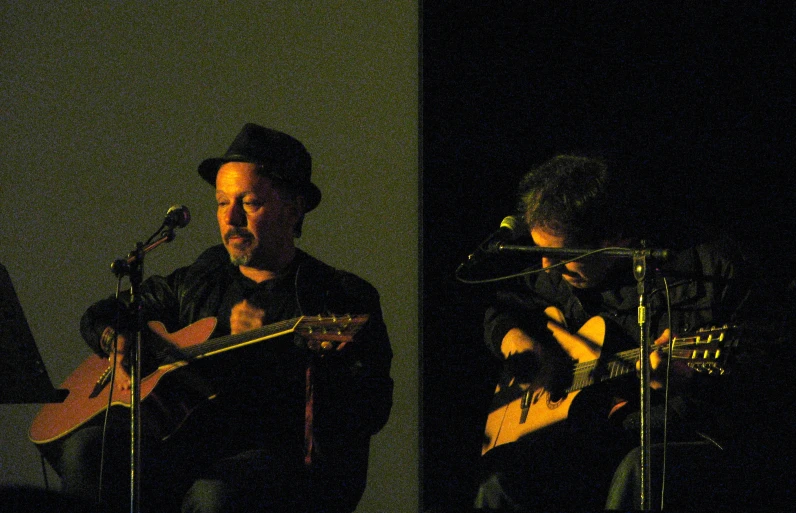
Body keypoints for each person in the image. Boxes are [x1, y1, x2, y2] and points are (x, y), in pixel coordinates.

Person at [39, 123, 393, 513]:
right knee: (89, 450)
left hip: (268, 459)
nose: (232, 219)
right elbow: (105, 312)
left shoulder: (337, 295)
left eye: (250, 203)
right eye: (223, 203)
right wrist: (116, 340)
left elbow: (371, 407)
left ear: (294, 208)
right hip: (181, 445)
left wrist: (293, 362)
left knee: (214, 497)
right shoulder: (203, 276)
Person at [472, 155, 750, 511]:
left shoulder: (713, 268)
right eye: (540, 253)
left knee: (638, 470)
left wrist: (689, 380)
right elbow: (504, 304)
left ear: (612, 237)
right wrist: (511, 338)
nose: (547, 268)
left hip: (685, 439)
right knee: (499, 486)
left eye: (559, 255)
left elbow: (768, 374)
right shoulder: (557, 274)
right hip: (590, 437)